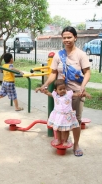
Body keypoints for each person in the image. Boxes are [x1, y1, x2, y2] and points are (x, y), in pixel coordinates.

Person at [35, 26, 91, 157]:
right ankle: (62, 139)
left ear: (75, 38)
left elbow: (87, 73)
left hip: (76, 91)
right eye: (64, 37)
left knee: (76, 119)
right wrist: (45, 84)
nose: (67, 40)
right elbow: (53, 73)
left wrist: (83, 86)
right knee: (60, 117)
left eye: (69, 37)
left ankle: (76, 144)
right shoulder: (58, 55)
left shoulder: (81, 55)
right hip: (62, 92)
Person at [36, 79, 91, 146]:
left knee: (66, 130)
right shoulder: (55, 95)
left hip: (67, 116)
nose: (62, 90)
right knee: (58, 129)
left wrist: (84, 94)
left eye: (64, 88)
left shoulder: (69, 94)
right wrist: (40, 89)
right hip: (58, 116)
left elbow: (77, 94)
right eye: (60, 89)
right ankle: (59, 140)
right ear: (56, 90)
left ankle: (65, 141)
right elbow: (47, 92)